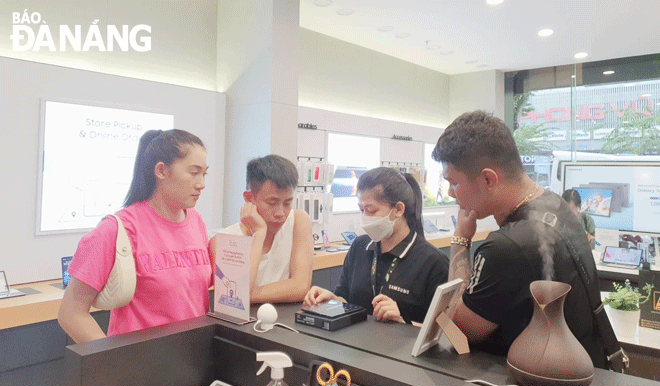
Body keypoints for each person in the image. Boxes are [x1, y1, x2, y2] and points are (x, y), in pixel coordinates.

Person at [432, 110, 609, 368]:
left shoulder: (507, 246)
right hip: (586, 368)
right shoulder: (555, 204)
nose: (450, 193)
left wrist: (461, 239)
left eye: (454, 183)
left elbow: (461, 326)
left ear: (488, 179)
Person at [58, 129, 213, 343]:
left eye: (204, 174)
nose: (201, 184)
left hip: (193, 360)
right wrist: (116, 363)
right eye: (193, 172)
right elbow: (71, 313)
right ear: (161, 171)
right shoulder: (116, 229)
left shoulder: (196, 221)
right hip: (140, 367)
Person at [304, 167, 449, 324]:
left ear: (398, 210)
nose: (365, 218)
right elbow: (346, 300)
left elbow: (445, 332)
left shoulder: (433, 262)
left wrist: (403, 322)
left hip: (401, 347)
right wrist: (332, 300)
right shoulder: (359, 247)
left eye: (371, 210)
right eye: (361, 210)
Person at [215, 155, 313, 304]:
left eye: (287, 203)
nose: (280, 213)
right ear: (249, 198)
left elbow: (300, 286)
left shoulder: (299, 221)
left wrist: (247, 294)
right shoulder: (224, 240)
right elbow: (235, 299)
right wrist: (259, 234)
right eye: (272, 203)